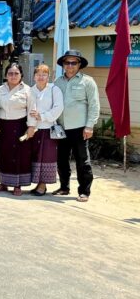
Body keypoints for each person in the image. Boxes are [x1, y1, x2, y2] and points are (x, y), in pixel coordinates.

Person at [53, 50, 100, 202]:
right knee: (61, 160)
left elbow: (94, 105)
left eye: (74, 62)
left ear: (79, 65)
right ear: (63, 65)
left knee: (82, 160)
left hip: (80, 128)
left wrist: (90, 126)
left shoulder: (88, 81)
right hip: (61, 128)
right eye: (67, 62)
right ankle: (64, 187)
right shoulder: (57, 82)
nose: (70, 65)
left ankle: (84, 191)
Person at [0, 63, 36, 196]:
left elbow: (32, 109)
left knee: (19, 156)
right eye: (10, 73)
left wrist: (31, 127)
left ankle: (18, 185)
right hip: (2, 127)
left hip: (20, 126)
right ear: (6, 75)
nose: (13, 76)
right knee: (3, 154)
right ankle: (4, 183)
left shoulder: (27, 90)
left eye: (16, 73)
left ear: (21, 75)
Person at [27, 64, 64, 196]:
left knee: (46, 157)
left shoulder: (54, 89)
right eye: (38, 74)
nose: (41, 77)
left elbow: (58, 108)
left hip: (48, 129)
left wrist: (42, 116)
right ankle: (37, 183)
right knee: (35, 156)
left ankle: (43, 185)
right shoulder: (30, 90)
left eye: (44, 74)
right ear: (34, 76)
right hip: (33, 129)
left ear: (49, 76)